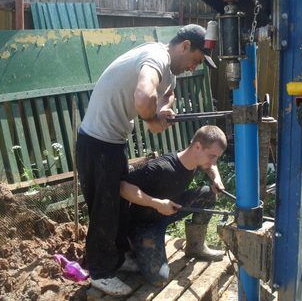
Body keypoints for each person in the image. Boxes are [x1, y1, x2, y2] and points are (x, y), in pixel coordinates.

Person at [76, 24, 217, 296]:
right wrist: (152, 118)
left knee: (117, 204)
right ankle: (100, 271)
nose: (193, 68)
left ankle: (116, 258)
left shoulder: (168, 72)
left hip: (114, 141)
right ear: (185, 46)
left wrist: (164, 109)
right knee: (104, 209)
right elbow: (143, 98)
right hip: (96, 142)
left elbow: (166, 95)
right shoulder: (156, 58)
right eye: (195, 61)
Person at [120, 125, 227, 286]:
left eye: (216, 157)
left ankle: (196, 247)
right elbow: (123, 187)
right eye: (212, 156)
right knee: (160, 278)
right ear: (197, 146)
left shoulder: (197, 159)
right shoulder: (161, 168)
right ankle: (130, 251)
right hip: (144, 223)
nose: (213, 161)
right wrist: (156, 203)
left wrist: (216, 178)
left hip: (170, 210)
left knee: (208, 194)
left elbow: (211, 165)